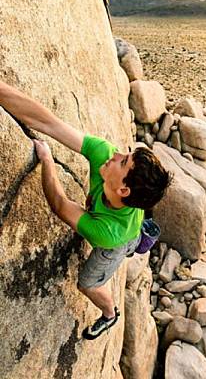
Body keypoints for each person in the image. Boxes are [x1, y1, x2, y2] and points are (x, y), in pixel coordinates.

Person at [0, 80, 171, 340]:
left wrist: (47, 161)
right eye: (124, 153)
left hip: (119, 241)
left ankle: (110, 314)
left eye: (122, 161)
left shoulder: (108, 234)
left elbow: (59, 205)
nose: (115, 154)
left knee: (87, 284)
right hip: (122, 219)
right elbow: (49, 123)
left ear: (124, 189)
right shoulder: (104, 154)